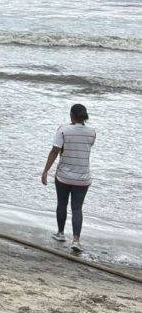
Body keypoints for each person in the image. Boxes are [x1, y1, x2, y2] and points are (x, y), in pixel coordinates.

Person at [42, 104, 95, 253]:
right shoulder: (92, 132)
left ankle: (60, 233)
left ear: (72, 115)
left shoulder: (63, 130)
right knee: (77, 208)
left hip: (64, 175)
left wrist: (45, 171)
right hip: (83, 177)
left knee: (62, 203)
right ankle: (76, 240)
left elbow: (55, 151)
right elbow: (86, 147)